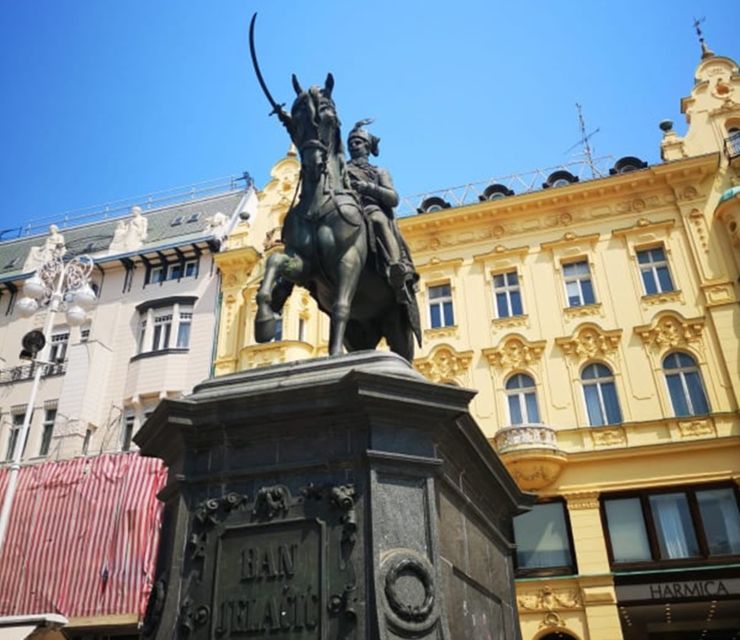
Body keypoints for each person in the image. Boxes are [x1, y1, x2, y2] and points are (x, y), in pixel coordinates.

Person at [346, 120, 417, 300]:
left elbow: (393, 198)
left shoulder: (379, 172)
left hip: (369, 208)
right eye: (351, 143)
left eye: (358, 142)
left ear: (368, 147)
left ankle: (396, 269)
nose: (353, 145)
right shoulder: (342, 169)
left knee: (378, 220)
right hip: (345, 208)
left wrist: (368, 188)